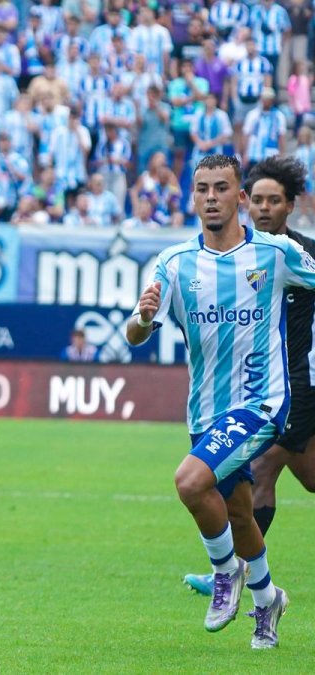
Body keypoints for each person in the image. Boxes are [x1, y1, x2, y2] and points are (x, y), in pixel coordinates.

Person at [126, 154, 314, 650]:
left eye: (222, 188)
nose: (211, 197)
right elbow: (135, 334)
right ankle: (268, 599)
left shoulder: (276, 253)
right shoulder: (174, 263)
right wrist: (142, 319)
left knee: (190, 482)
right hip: (205, 411)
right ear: (193, 197)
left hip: (261, 403)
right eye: (202, 189)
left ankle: (226, 571)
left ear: (240, 198)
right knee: (238, 514)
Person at [182, 157, 315, 596]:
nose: (263, 208)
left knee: (261, 466)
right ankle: (247, 576)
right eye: (257, 200)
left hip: (295, 385)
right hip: (247, 392)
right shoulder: (236, 257)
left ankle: (236, 570)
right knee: (307, 476)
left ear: (289, 206)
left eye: (273, 201)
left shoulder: (294, 254)